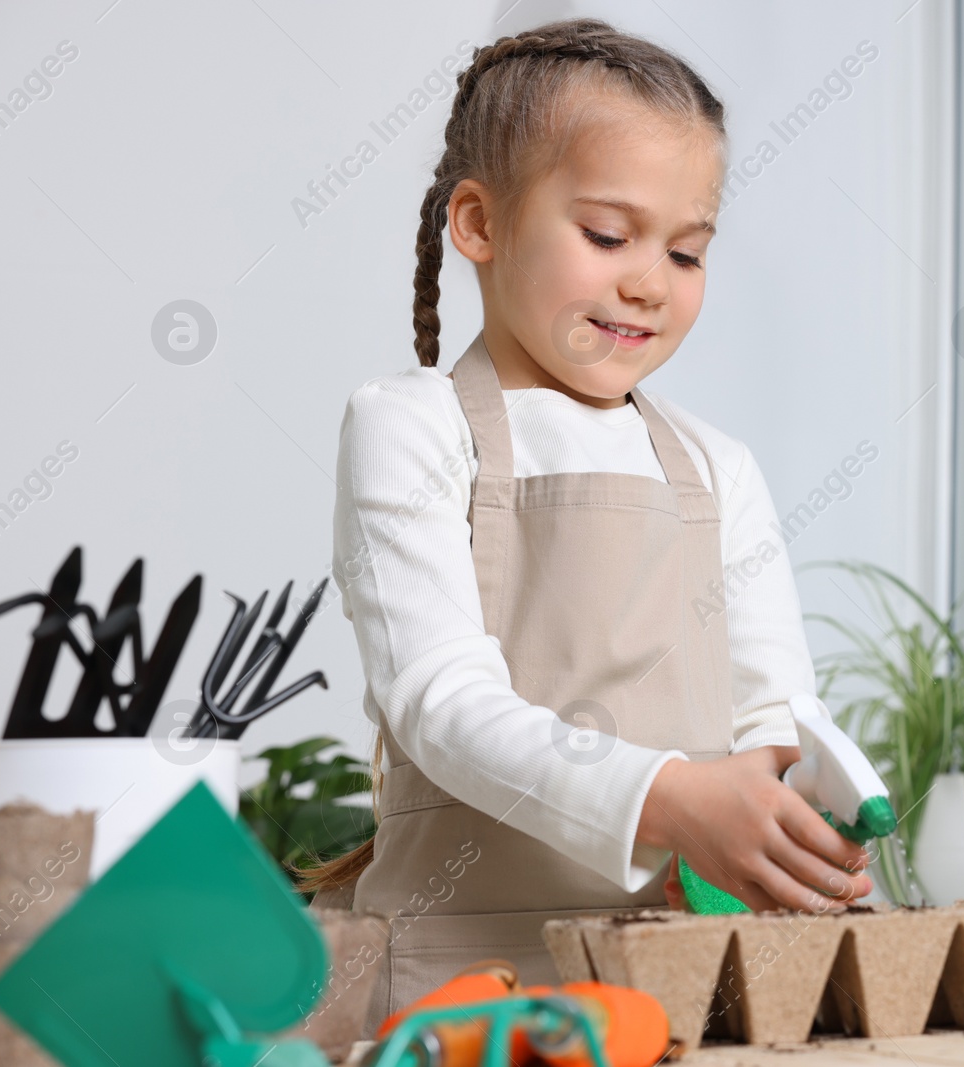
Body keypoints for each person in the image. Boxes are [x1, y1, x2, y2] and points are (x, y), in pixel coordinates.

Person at [298, 18, 872, 1030]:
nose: (649, 279)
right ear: (478, 223)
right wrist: (671, 799)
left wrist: (800, 822)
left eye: (686, 251)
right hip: (463, 983)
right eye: (608, 235)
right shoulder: (410, 426)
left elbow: (771, 719)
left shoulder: (717, 467)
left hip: (682, 981)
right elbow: (440, 701)